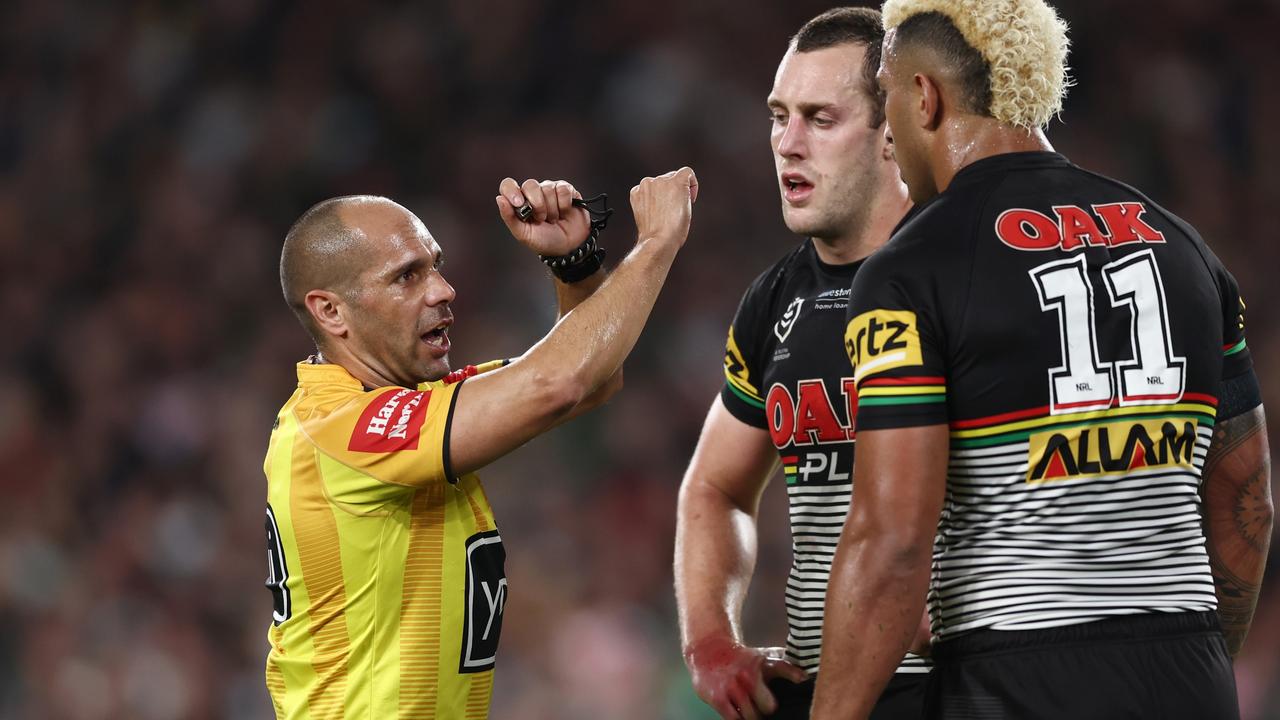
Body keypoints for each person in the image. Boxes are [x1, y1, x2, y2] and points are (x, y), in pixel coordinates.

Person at [810, 1, 1271, 718]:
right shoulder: (1188, 250)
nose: (884, 138)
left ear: (925, 97)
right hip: (1193, 676)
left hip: (1015, 682)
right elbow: (1250, 505)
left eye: (886, 94)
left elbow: (893, 541)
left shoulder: (909, 271)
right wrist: (1199, 659)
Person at [263, 168, 698, 718]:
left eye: (436, 267)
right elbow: (559, 382)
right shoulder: (342, 429)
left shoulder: (406, 408)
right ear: (331, 311)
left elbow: (592, 381)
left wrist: (575, 265)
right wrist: (658, 242)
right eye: (406, 277)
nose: (444, 290)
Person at [673, 9, 925, 720]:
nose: (787, 145)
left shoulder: (964, 276)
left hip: (962, 689)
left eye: (820, 118)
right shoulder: (773, 300)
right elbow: (715, 489)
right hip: (819, 690)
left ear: (892, 131)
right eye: (779, 116)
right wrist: (710, 640)